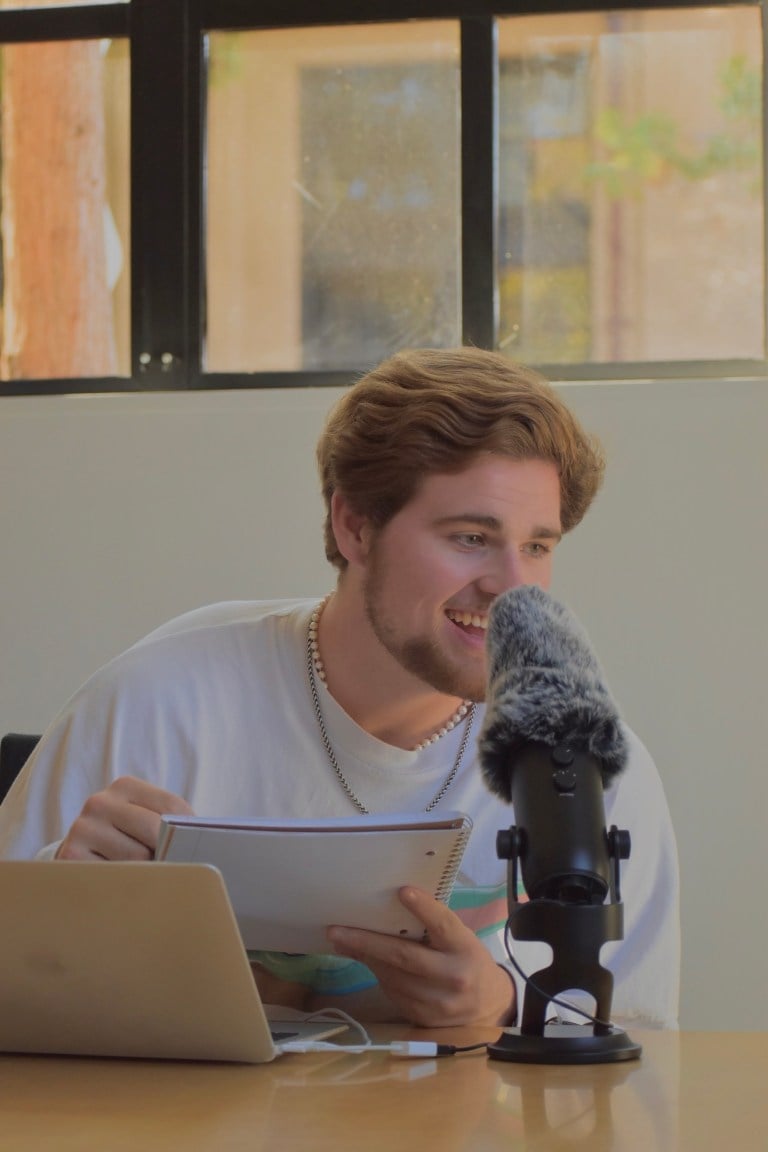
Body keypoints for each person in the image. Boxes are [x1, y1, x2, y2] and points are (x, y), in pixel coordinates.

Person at [0, 347, 679, 1029]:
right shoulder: (157, 703)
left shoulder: (582, 764)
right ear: (354, 525)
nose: (512, 587)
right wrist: (65, 894)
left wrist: (502, 1003)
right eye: (471, 536)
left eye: (537, 546)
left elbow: (646, 1057)